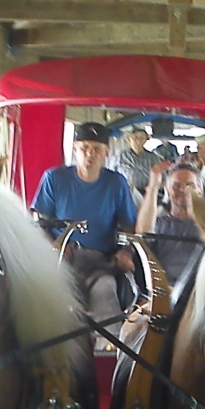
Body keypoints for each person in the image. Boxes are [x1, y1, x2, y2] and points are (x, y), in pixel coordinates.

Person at [31, 121, 137, 331]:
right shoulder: (54, 178)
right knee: (58, 308)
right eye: (84, 148)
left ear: (106, 152)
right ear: (75, 150)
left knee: (106, 294)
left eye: (97, 149)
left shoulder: (116, 183)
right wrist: (54, 245)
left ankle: (109, 346)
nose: (90, 154)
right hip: (62, 261)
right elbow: (39, 222)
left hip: (101, 263)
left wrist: (126, 252)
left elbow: (129, 226)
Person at [135, 160, 205, 289]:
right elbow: (143, 234)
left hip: (197, 291)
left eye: (189, 185)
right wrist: (153, 185)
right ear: (167, 189)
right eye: (176, 186)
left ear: (199, 191)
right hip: (163, 291)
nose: (182, 190)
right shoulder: (159, 223)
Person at [111, 125, 155, 194]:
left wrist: (152, 187)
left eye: (142, 138)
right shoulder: (119, 157)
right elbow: (111, 176)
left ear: (146, 140)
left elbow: (162, 178)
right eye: (135, 137)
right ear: (129, 138)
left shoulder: (153, 158)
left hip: (147, 193)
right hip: (124, 192)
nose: (138, 141)